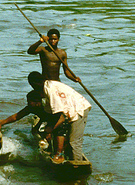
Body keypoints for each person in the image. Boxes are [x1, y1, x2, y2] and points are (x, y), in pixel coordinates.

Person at [28, 28, 90, 161]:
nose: (53, 41)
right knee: (51, 113)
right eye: (50, 39)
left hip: (57, 85)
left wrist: (74, 79)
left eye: (55, 39)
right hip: (46, 84)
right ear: (48, 39)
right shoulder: (43, 50)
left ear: (58, 39)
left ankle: (57, 140)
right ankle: (50, 134)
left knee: (59, 116)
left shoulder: (62, 53)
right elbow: (30, 51)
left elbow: (66, 71)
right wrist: (39, 41)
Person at [0, 71, 55, 139]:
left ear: (37, 103)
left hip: (55, 119)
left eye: (29, 102)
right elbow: (16, 117)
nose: (27, 103)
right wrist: (1, 124)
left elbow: (52, 118)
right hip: (45, 119)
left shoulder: (47, 106)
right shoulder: (31, 108)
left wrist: (49, 132)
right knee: (35, 131)